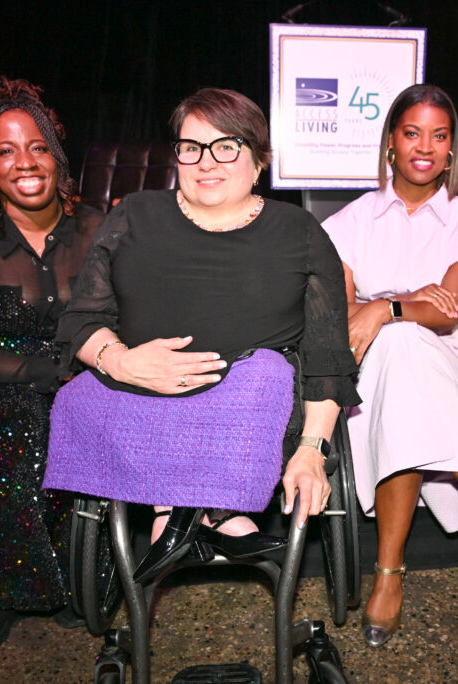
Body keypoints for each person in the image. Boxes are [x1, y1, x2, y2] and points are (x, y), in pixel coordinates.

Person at [43, 88, 359, 583]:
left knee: (267, 375)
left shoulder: (299, 231)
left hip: (249, 408)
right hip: (137, 391)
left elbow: (325, 356)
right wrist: (121, 360)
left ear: (259, 160)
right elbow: (80, 319)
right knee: (78, 400)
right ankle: (206, 514)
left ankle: (179, 513)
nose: (206, 162)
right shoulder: (133, 215)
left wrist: (311, 450)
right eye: (192, 147)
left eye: (227, 146)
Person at [321, 84, 458, 649]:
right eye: (412, 132)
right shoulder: (353, 219)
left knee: (408, 344)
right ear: (391, 144)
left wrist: (385, 306)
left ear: (451, 149)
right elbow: (340, 311)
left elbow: (450, 310)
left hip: (440, 357)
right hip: (369, 361)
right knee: (398, 348)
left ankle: (388, 571)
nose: (425, 146)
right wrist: (395, 306)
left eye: (439, 135)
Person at [0, 76, 104, 657]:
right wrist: (49, 373)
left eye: (36, 146)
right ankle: (11, 590)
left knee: (91, 434)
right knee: (23, 446)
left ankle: (83, 578)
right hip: (0, 375)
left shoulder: (98, 228)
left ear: (57, 156)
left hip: (91, 372)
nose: (23, 162)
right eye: (5, 150)